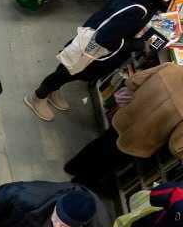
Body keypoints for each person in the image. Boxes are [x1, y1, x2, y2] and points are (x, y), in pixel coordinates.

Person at [25, 0, 183, 121]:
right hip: (100, 44)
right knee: (72, 68)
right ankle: (38, 96)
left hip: (99, 25)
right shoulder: (138, 8)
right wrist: (137, 45)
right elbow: (105, 38)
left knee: (74, 67)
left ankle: (53, 89)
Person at [63, 62, 183, 192]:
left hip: (126, 116)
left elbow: (134, 80)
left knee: (101, 143)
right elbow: (176, 145)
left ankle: (73, 166)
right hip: (141, 139)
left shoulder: (172, 68)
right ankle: (79, 183)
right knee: (110, 161)